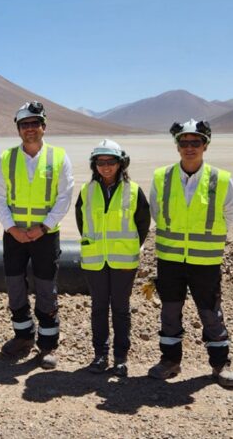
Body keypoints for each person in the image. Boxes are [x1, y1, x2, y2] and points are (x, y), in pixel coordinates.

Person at [148, 119, 233, 388]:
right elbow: (156, 211)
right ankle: (169, 361)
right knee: (169, 312)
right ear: (177, 146)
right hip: (170, 259)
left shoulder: (220, 179)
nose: (189, 148)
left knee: (211, 313)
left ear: (206, 145)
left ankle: (220, 365)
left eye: (196, 142)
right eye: (184, 142)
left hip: (205, 261)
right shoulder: (161, 177)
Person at [0, 101, 74, 370]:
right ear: (18, 130)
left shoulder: (59, 158)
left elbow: (64, 197)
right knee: (15, 287)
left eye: (34, 124)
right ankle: (23, 337)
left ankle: (48, 345)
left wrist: (43, 227)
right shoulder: (7, 158)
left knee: (46, 288)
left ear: (44, 127)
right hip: (14, 236)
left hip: (45, 236)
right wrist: (12, 228)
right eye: (24, 125)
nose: (30, 129)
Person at [75, 139, 150, 377]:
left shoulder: (134, 190)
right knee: (98, 308)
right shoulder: (86, 191)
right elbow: (81, 222)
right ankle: (99, 356)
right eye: (100, 162)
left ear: (121, 164)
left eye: (111, 162)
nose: (105, 167)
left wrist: (129, 247)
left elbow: (142, 224)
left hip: (123, 262)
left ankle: (120, 358)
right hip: (95, 260)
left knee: (120, 309)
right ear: (94, 165)